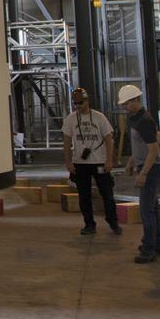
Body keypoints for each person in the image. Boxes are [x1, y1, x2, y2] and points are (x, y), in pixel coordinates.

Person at [61, 87, 122, 236]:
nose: (78, 106)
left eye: (80, 103)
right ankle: (89, 224)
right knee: (84, 195)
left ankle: (113, 221)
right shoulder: (71, 119)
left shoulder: (99, 117)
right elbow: (67, 142)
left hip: (99, 161)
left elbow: (109, 139)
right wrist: (68, 162)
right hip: (80, 163)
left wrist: (109, 160)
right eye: (75, 103)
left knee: (107, 194)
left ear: (87, 101)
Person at [120, 85, 160, 263]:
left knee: (146, 211)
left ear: (135, 100)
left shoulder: (145, 121)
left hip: (152, 168)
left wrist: (144, 173)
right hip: (147, 166)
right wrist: (132, 161)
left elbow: (153, 150)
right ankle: (157, 244)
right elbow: (140, 145)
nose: (124, 107)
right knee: (152, 209)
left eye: (126, 104)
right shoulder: (136, 118)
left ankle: (149, 249)